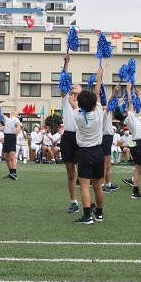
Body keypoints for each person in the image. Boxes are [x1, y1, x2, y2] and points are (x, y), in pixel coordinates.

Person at [70, 68, 105, 224]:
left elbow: (74, 104)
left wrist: (74, 96)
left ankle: (86, 216)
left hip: (85, 153)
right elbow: (96, 95)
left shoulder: (78, 115)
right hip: (99, 152)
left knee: (84, 186)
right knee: (98, 186)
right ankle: (99, 213)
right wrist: (99, 78)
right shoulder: (99, 113)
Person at [61, 54, 82, 214]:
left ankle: (87, 200)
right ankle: (74, 201)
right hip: (68, 137)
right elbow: (64, 83)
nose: (74, 86)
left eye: (77, 85)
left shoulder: (86, 103)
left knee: (83, 173)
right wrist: (66, 64)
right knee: (70, 172)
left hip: (82, 137)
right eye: (72, 84)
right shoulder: (66, 99)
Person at [102, 85, 120, 193]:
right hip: (105, 138)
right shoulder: (103, 114)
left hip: (107, 138)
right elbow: (109, 102)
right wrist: (115, 92)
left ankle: (108, 184)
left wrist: (121, 96)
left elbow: (112, 103)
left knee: (107, 165)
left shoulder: (105, 114)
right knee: (106, 164)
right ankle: (102, 184)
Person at [0, 108, 20, 180]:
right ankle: (11, 172)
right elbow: (1, 114)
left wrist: (18, 128)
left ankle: (14, 173)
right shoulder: (7, 119)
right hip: (6, 137)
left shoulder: (16, 119)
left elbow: (18, 125)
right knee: (6, 156)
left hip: (11, 136)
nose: (17, 113)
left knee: (12, 156)